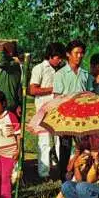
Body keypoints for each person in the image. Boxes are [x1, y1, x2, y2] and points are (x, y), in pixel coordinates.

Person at [53, 40, 94, 181]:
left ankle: (81, 177)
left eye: (82, 53)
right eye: (76, 53)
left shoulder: (86, 74)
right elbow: (57, 98)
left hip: (82, 117)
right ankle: (63, 180)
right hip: (66, 117)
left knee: (82, 148)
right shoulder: (60, 74)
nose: (80, 56)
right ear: (68, 55)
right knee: (65, 148)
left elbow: (90, 94)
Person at [29, 42, 66, 179]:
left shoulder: (61, 69)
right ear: (50, 56)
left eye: (61, 58)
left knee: (60, 140)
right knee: (44, 141)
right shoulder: (39, 68)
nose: (60, 60)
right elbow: (32, 89)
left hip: (59, 109)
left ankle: (62, 170)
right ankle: (43, 173)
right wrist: (53, 88)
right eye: (58, 57)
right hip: (43, 111)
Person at [0, 42, 22, 117]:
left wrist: (1, 50)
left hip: (8, 103)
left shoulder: (13, 64)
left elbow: (1, 63)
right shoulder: (10, 65)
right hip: (6, 101)